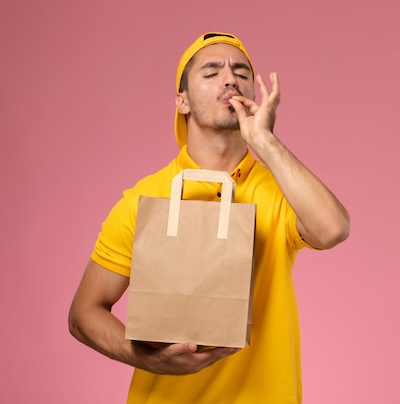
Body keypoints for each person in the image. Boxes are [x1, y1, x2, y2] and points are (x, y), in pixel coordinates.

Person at [68, 31, 350, 403]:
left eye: (241, 71)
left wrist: (263, 140)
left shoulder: (278, 189)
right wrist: (151, 359)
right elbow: (84, 313)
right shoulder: (144, 199)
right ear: (181, 101)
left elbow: (333, 229)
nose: (230, 78)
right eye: (211, 71)